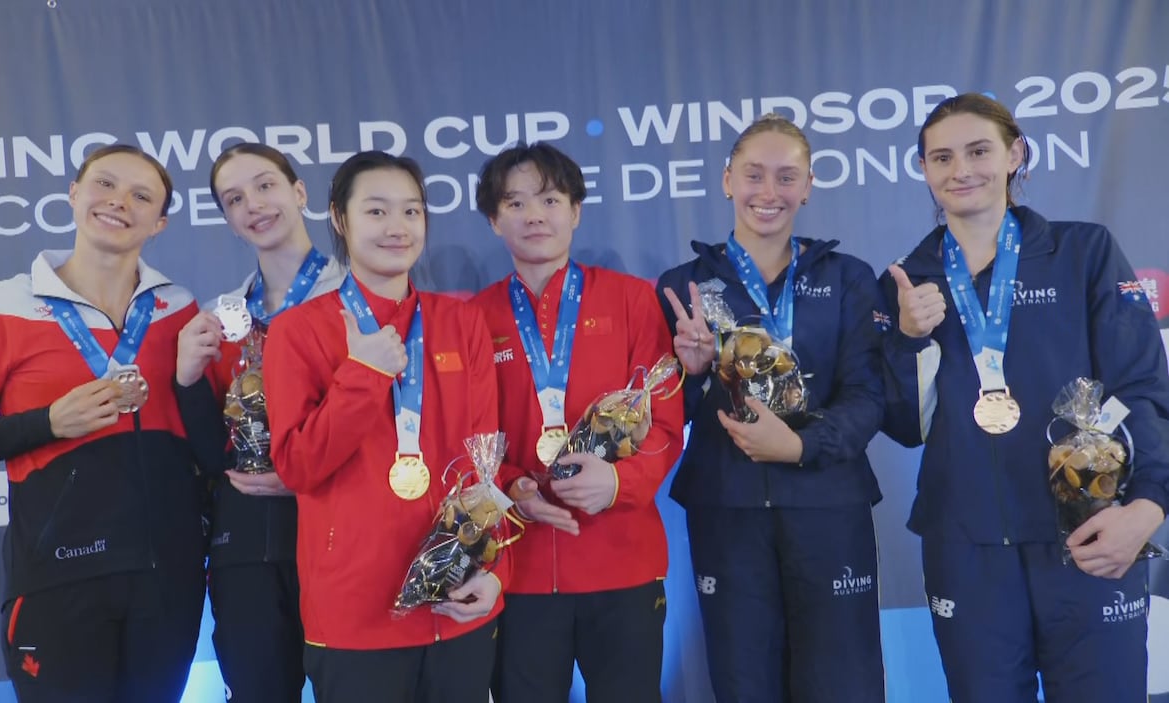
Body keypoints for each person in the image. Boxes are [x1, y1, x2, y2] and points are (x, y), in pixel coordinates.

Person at [881, 93, 1169, 702]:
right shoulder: (906, 280)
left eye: (979, 150)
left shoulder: (1083, 252)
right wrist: (907, 341)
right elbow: (905, 425)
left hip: (1090, 531)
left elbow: (1142, 387)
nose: (961, 170)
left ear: (1015, 154)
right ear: (924, 171)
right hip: (966, 546)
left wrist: (1149, 505)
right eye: (941, 157)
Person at [0, 144, 206, 702]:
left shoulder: (181, 309)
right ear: (74, 194)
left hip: (167, 581)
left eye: (141, 196)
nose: (119, 202)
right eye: (105, 184)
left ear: (161, 221)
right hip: (59, 581)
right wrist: (48, 422)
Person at [262, 150, 506, 703]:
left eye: (412, 211)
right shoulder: (299, 330)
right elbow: (298, 465)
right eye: (376, 212)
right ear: (340, 220)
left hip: (458, 600)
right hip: (355, 615)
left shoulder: (460, 320)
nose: (397, 228)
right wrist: (364, 375)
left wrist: (495, 571)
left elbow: (482, 465)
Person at [657, 114, 886, 702]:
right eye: (754, 174)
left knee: (844, 683)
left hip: (829, 505)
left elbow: (869, 395)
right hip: (727, 508)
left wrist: (803, 445)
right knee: (743, 683)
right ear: (727, 179)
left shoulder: (849, 278)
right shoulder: (683, 286)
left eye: (787, 177)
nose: (769, 192)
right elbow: (661, 415)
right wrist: (694, 371)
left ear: (807, 186)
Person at [470, 142, 684, 703]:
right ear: (495, 220)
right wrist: (513, 486)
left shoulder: (634, 300)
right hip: (520, 565)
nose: (535, 214)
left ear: (576, 210)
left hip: (623, 558)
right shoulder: (473, 317)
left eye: (549, 198)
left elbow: (663, 422)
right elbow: (472, 436)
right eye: (514, 203)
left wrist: (618, 482)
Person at [173, 143, 345, 702]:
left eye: (266, 185)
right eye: (235, 198)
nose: (254, 204)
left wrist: (304, 472)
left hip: (341, 535)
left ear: (299, 193)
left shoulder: (359, 296)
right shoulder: (224, 319)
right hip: (245, 547)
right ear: (226, 219)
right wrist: (188, 380)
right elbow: (213, 455)